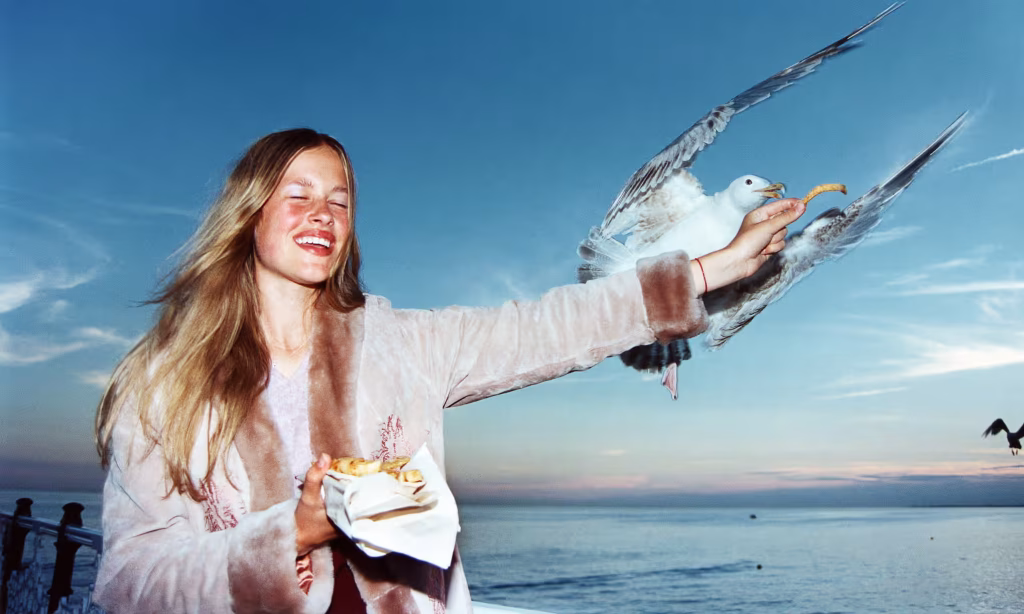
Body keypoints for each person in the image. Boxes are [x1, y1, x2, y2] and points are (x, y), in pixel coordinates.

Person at [92, 128, 805, 613]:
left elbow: (545, 327)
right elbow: (130, 582)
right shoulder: (164, 385)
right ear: (249, 213)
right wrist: (290, 535)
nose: (323, 215)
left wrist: (711, 269)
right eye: (297, 194)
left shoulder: (398, 344)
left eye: (340, 201)